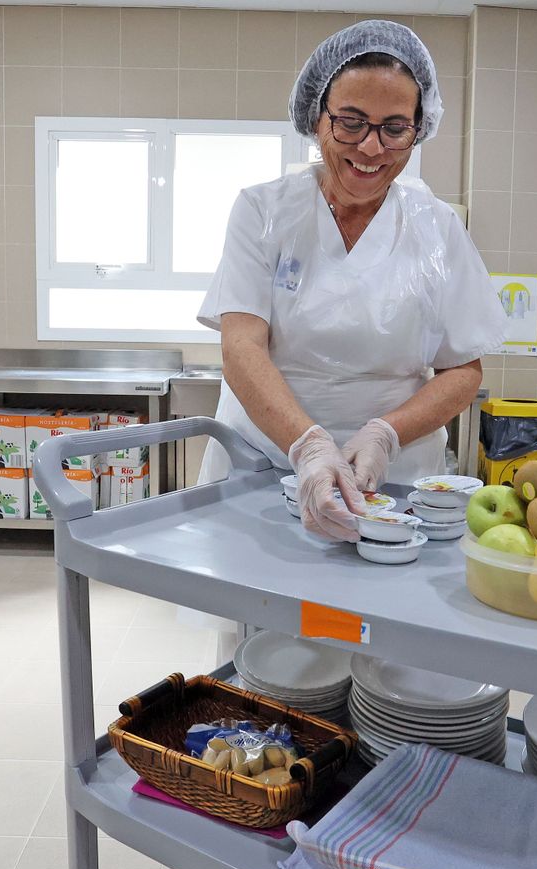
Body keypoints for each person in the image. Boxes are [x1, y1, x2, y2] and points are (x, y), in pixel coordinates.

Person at [197, 20, 506, 543]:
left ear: (419, 128)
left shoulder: (437, 228)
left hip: (395, 479)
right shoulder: (264, 211)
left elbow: (463, 371)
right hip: (267, 464)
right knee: (265, 611)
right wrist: (309, 448)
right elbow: (241, 346)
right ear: (316, 119)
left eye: (394, 127)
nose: (370, 147)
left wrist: (385, 434)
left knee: (377, 616)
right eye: (351, 122)